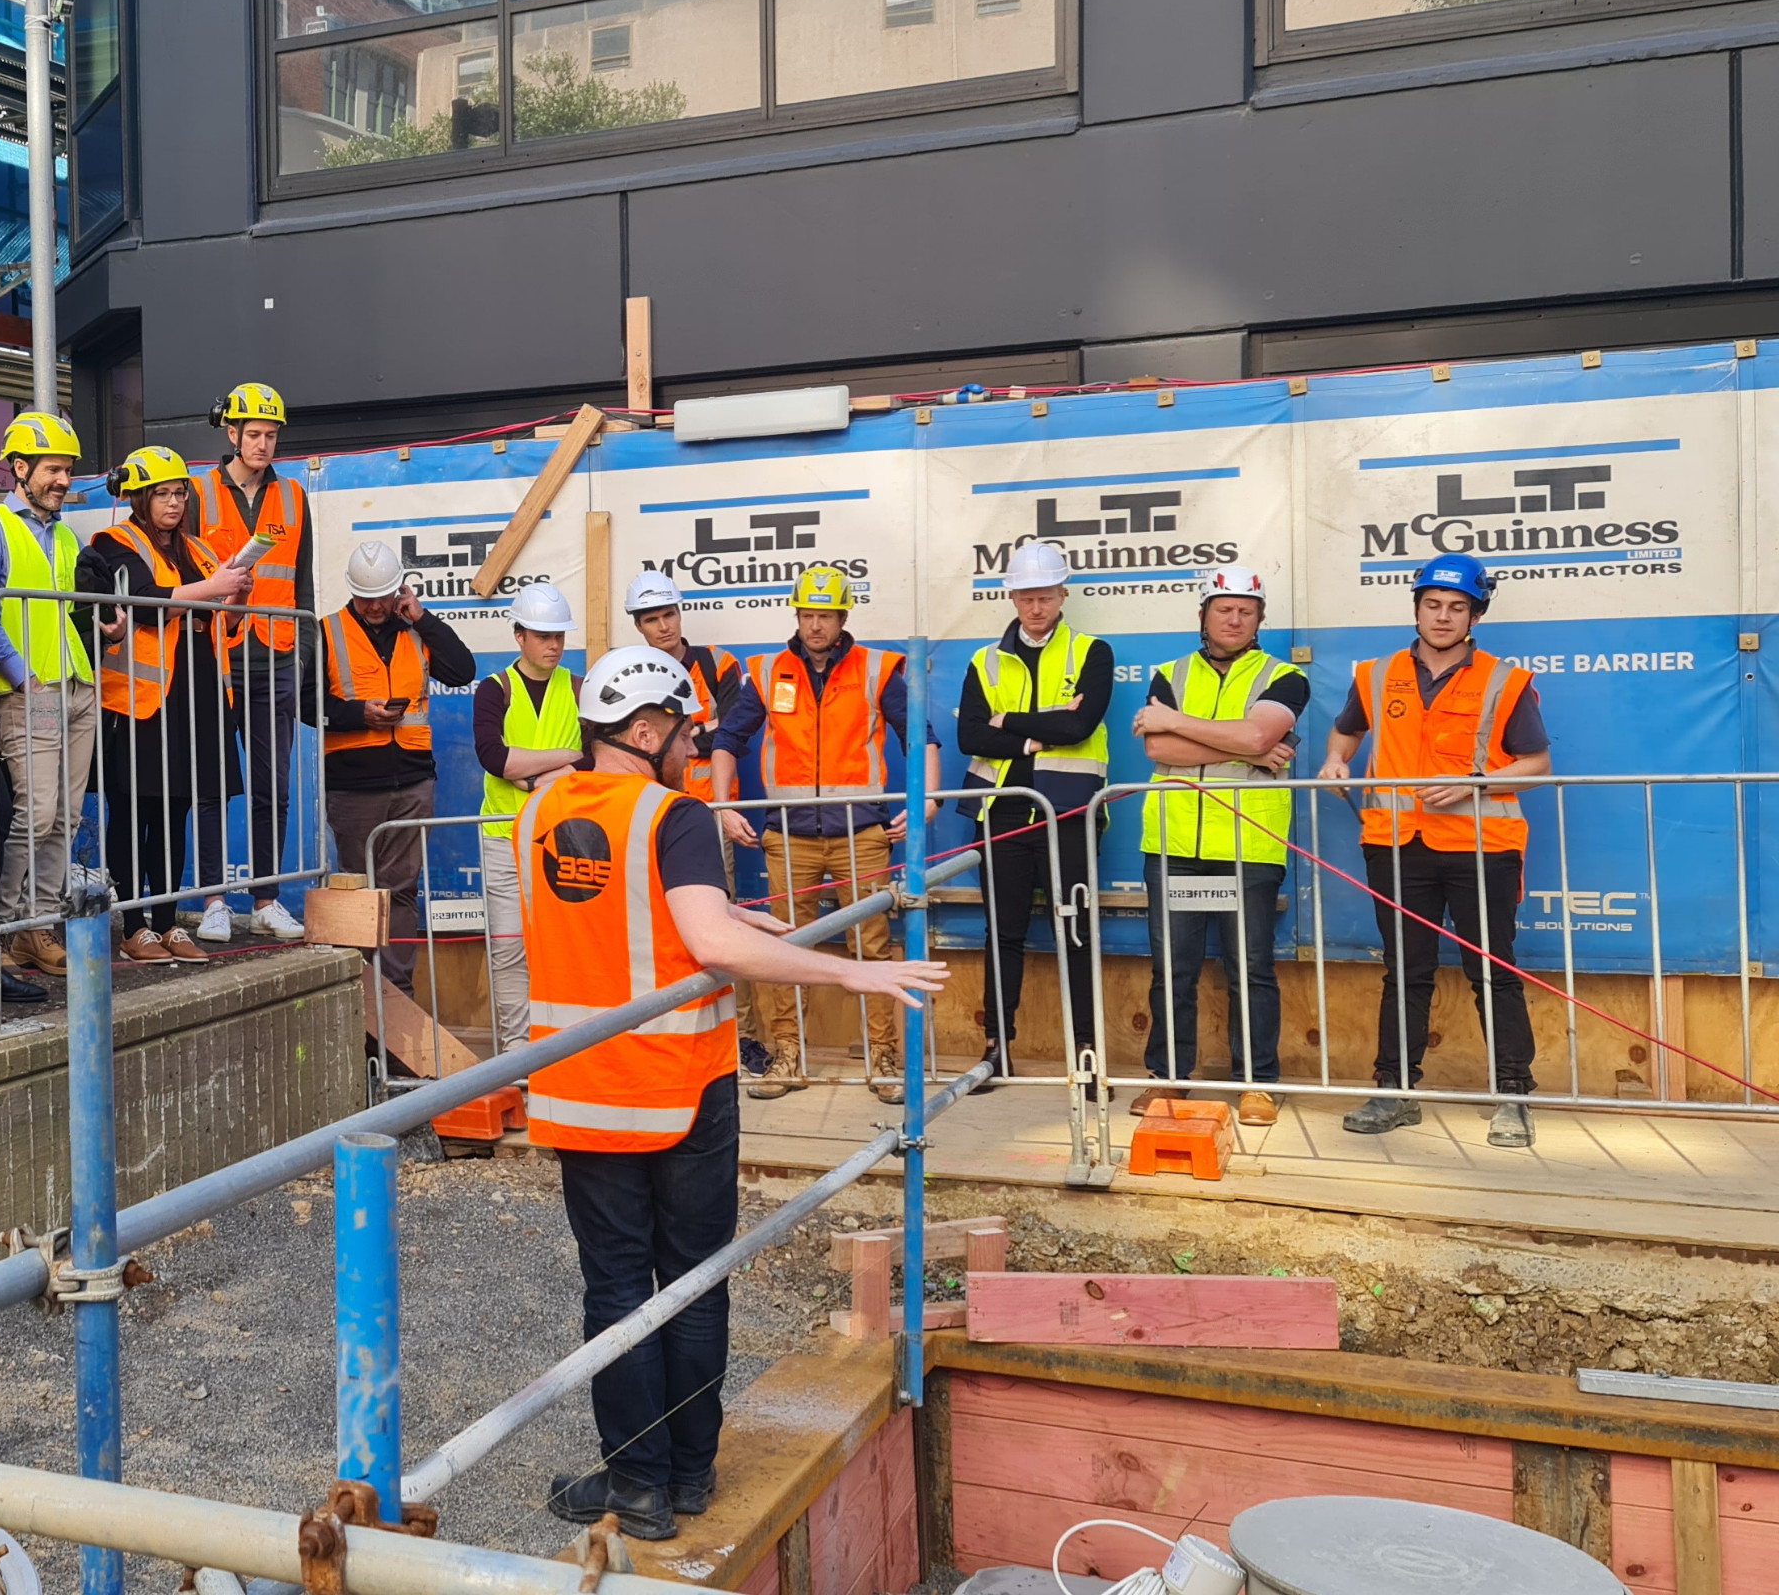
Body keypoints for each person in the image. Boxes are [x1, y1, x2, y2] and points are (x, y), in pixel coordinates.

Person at [519, 646, 946, 1542]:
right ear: (645, 730)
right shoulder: (674, 815)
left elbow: (615, 919)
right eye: (685, 730)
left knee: (616, 1294)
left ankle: (635, 1484)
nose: (697, 745)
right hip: (678, 1089)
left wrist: (724, 915)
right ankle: (685, 1480)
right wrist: (859, 979)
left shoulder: (543, 807)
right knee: (695, 1280)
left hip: (581, 1090)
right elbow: (710, 946)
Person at [1317, 552, 1549, 1147]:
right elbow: (1348, 729)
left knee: (1492, 971)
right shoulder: (1376, 674)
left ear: (1475, 615)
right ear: (1417, 607)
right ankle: (1394, 1091)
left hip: (1481, 847)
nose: (1443, 616)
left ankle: (1513, 1097)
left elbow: (1537, 766)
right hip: (1398, 846)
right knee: (1406, 973)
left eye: (1457, 607)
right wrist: (1335, 758)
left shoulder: (1504, 679)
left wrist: (1475, 784)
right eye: (1433, 604)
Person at [706, 567, 909, 1102]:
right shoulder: (770, 670)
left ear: (843, 618)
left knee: (872, 947)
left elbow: (922, 737)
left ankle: (884, 1060)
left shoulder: (877, 669)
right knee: (781, 949)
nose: (815, 625)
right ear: (796, 614)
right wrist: (724, 807)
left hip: (861, 833)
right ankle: (786, 1057)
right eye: (807, 614)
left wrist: (928, 801)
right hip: (789, 839)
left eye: (826, 615)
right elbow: (726, 738)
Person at [1131, 566, 1306, 1127]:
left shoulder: (1284, 677)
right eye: (1223, 608)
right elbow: (1158, 748)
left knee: (1250, 967)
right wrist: (1246, 751)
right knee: (1173, 969)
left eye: (1246, 610)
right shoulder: (1169, 672)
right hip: (1175, 842)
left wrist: (1185, 725)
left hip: (1249, 845)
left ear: (1259, 619)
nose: (1234, 618)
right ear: (1203, 614)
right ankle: (1168, 1079)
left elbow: (1259, 735)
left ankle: (1256, 1083)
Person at [84, 445, 247, 963]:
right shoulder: (113, 542)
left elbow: (224, 619)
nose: (173, 503)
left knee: (177, 810)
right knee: (134, 810)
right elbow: (150, 601)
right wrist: (215, 586)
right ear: (138, 497)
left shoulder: (197, 550)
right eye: (162, 494)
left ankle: (167, 923)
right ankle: (134, 926)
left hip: (194, 699)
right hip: (140, 702)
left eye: (179, 493)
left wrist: (236, 593)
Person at [957, 540, 1110, 1087]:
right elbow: (967, 735)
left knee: (1075, 932)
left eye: (1045, 596)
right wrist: (1031, 738)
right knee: (1003, 934)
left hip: (1068, 814)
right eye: (1026, 597)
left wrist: (1008, 722)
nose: (1036, 607)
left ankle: (1086, 1052)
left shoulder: (1093, 651)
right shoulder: (985, 659)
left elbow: (1079, 728)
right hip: (1001, 814)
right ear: (1013, 597)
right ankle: (997, 1050)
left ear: (1063, 594)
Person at [0, 411, 98, 993]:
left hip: (75, 687)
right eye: (52, 469)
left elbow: (65, 610)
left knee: (66, 817)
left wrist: (104, 635)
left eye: (67, 470)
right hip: (30, 692)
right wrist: (19, 677)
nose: (63, 479)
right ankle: (11, 922)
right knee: (36, 812)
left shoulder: (66, 534)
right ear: (19, 469)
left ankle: (36, 927)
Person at [317, 540, 475, 1007]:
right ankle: (361, 995)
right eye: (366, 598)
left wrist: (422, 618)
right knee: (358, 889)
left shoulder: (414, 628)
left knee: (403, 891)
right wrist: (355, 714)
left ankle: (399, 999)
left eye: (383, 596)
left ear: (398, 590)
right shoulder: (327, 631)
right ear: (351, 592)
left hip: (412, 781)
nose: (374, 606)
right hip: (352, 785)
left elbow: (462, 668)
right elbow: (304, 703)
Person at [190, 381, 311, 948]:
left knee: (273, 786)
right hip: (215, 658)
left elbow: (302, 582)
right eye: (255, 434)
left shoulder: (293, 498)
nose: (264, 445)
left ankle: (266, 898)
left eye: (272, 435)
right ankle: (213, 899)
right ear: (231, 433)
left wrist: (304, 657)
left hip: (277, 658)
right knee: (213, 785)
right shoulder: (194, 494)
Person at [472, 581, 582, 1053]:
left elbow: (594, 755)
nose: (553, 644)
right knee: (509, 951)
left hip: (563, 838)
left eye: (558, 635)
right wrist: (561, 759)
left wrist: (533, 774)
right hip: (503, 838)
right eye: (542, 635)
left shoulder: (580, 687)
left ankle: (563, 1047)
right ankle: (517, 1055)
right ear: (519, 636)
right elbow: (494, 758)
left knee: (564, 949)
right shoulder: (494, 689)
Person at [625, 568, 747, 816]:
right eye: (651, 620)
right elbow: (630, 747)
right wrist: (706, 728)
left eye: (669, 614)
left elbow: (732, 734)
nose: (663, 627)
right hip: (653, 808)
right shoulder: (630, 676)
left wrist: (674, 739)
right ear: (638, 625)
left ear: (679, 613)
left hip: (714, 806)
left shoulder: (717, 663)